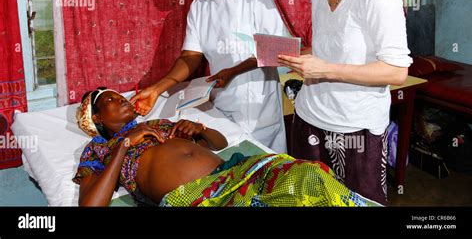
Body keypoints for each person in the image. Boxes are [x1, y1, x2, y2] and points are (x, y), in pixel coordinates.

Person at [278, 0, 413, 205]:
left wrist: (324, 68)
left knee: (355, 201)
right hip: (309, 118)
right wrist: (299, 57)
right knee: (309, 200)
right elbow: (330, 50)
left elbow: (396, 71)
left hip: (354, 131)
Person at [73, 87, 381, 207]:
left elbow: (220, 144)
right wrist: (126, 143)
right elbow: (90, 206)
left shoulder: (162, 124)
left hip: (234, 173)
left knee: (306, 176)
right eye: (110, 100)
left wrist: (202, 130)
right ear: (97, 118)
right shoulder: (99, 149)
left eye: (119, 94)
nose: (121, 99)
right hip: (197, 199)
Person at [131, 0, 290, 153]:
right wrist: (157, 89)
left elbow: (279, 48)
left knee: (267, 171)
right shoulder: (199, 8)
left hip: (259, 110)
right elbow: (190, 57)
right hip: (222, 107)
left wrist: (233, 71)